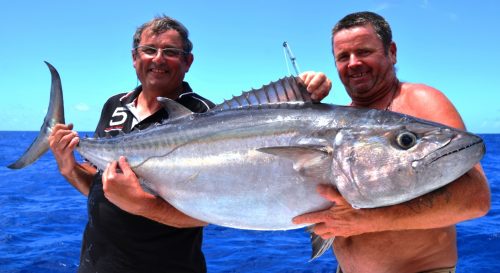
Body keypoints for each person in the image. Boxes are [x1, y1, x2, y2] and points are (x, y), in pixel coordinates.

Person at [48, 15, 331, 273]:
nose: (158, 59)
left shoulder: (209, 117)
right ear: (135, 58)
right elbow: (104, 188)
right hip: (96, 265)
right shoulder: (115, 105)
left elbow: (203, 215)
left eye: (170, 52)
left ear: (187, 62)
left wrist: (142, 205)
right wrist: (69, 168)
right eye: (149, 50)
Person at [293, 11, 490, 273]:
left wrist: (369, 221)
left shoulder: (420, 101)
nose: (353, 63)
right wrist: (301, 100)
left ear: (392, 52)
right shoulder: (338, 119)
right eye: (343, 57)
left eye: (364, 51)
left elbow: (475, 199)